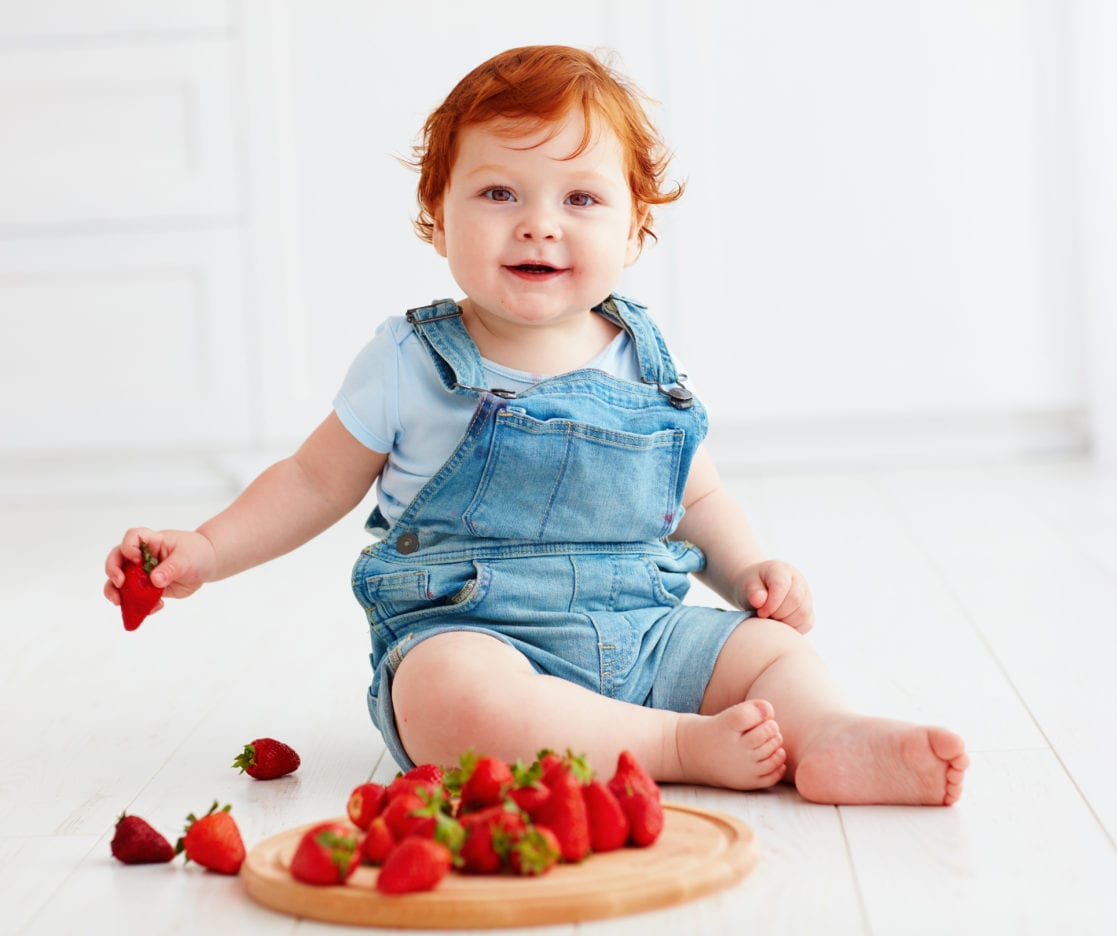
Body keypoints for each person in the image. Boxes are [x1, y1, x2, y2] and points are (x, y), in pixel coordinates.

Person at [104, 45, 968, 805]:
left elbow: (694, 494)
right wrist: (208, 550)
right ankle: (670, 748)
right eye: (499, 191)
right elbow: (312, 479)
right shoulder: (410, 358)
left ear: (636, 228)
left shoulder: (644, 358)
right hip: (476, 637)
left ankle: (832, 738)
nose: (539, 222)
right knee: (447, 699)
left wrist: (750, 570)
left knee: (768, 655)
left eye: (582, 198)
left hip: (644, 628)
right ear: (437, 214)